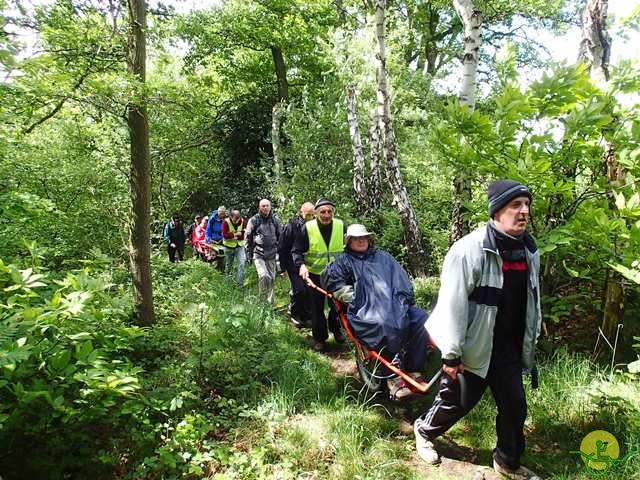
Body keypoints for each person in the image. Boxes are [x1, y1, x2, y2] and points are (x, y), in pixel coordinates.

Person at [413, 180, 542, 480]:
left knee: (515, 407)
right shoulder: (468, 250)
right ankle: (423, 430)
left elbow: (532, 297)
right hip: (473, 345)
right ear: (497, 211)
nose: (524, 212)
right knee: (456, 402)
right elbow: (452, 307)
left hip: (507, 346)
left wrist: (533, 334)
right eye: (516, 206)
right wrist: (452, 355)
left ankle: (507, 461)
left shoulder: (528, 250)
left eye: (526, 205)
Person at [323, 224, 430, 399]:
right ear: (348, 241)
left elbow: (401, 280)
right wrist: (361, 299)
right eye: (356, 238)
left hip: (393, 304)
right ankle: (392, 378)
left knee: (421, 319)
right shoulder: (343, 261)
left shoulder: (384, 257)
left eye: (363, 237)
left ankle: (414, 369)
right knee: (383, 324)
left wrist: (400, 301)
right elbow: (338, 286)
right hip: (364, 309)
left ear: (369, 239)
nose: (360, 240)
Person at [292, 198, 345, 351]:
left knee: (338, 306)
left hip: (336, 274)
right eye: (323, 212)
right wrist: (301, 266)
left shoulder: (341, 226)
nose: (326, 215)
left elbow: (349, 248)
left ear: (333, 213)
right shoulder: (307, 228)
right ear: (315, 213)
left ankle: (337, 331)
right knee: (316, 309)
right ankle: (320, 338)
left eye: (329, 212)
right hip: (315, 275)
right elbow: (296, 251)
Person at [278, 201, 315, 328]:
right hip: (292, 263)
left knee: (309, 290)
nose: (311, 217)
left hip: (309, 264)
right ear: (301, 212)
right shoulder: (291, 225)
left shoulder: (315, 225)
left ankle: (306, 316)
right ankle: (294, 314)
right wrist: (282, 267)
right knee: (299, 290)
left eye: (312, 214)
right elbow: (282, 246)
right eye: (308, 215)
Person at [245, 199, 282, 304]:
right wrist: (248, 254)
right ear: (259, 208)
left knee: (272, 279)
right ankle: (261, 302)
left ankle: (270, 303)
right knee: (264, 275)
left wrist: (281, 253)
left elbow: (281, 236)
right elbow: (247, 237)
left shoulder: (275, 220)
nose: (265, 208)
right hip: (258, 253)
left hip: (272, 253)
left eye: (267, 206)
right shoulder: (254, 220)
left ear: (270, 207)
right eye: (263, 206)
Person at [222, 209, 248, 288]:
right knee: (229, 265)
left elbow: (245, 234)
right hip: (228, 247)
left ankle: (240, 285)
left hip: (240, 246)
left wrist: (233, 235)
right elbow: (225, 235)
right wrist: (237, 234)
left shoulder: (243, 222)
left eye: (238, 219)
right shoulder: (225, 222)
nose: (236, 221)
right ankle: (228, 283)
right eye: (235, 219)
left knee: (242, 264)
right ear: (231, 216)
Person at [206, 206, 227, 271]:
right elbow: (208, 229)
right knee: (213, 255)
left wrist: (224, 238)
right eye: (221, 213)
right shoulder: (212, 219)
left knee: (221, 255)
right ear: (218, 212)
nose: (222, 215)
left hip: (221, 240)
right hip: (213, 239)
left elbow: (226, 230)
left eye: (223, 213)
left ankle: (221, 270)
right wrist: (209, 239)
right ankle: (211, 270)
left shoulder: (224, 219)